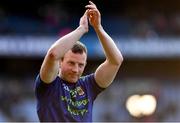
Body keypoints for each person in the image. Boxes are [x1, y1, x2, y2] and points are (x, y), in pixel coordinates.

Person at [35, 1, 123, 122]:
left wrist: (98, 28)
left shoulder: (89, 85)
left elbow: (116, 61)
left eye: (80, 65)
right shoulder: (48, 85)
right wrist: (81, 29)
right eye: (71, 63)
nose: (76, 69)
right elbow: (53, 54)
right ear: (60, 62)